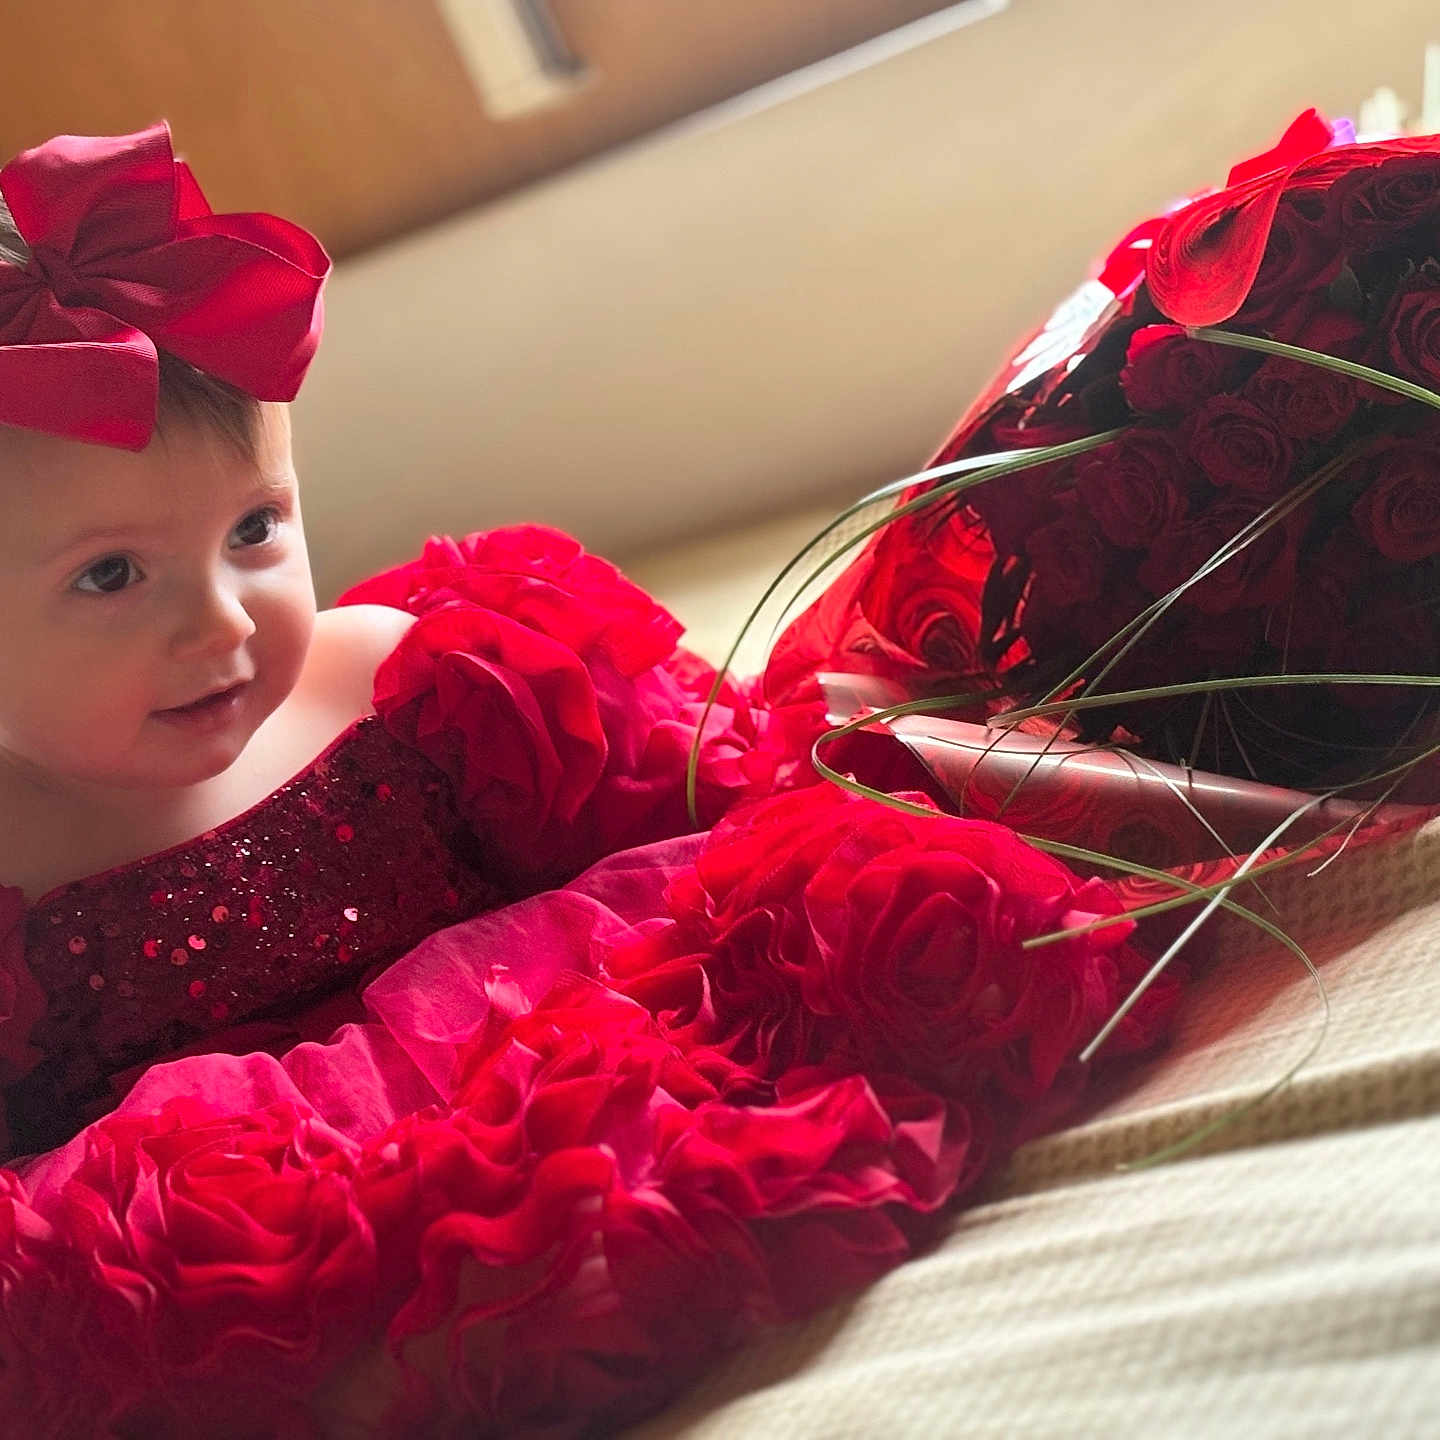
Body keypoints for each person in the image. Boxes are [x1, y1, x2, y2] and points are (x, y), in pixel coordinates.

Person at [0, 125, 1175, 1439]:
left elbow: (716, 805)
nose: (220, 624)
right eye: (112, 576)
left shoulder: (415, 680)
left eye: (255, 528)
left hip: (562, 1060)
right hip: (268, 1245)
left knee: (871, 907)